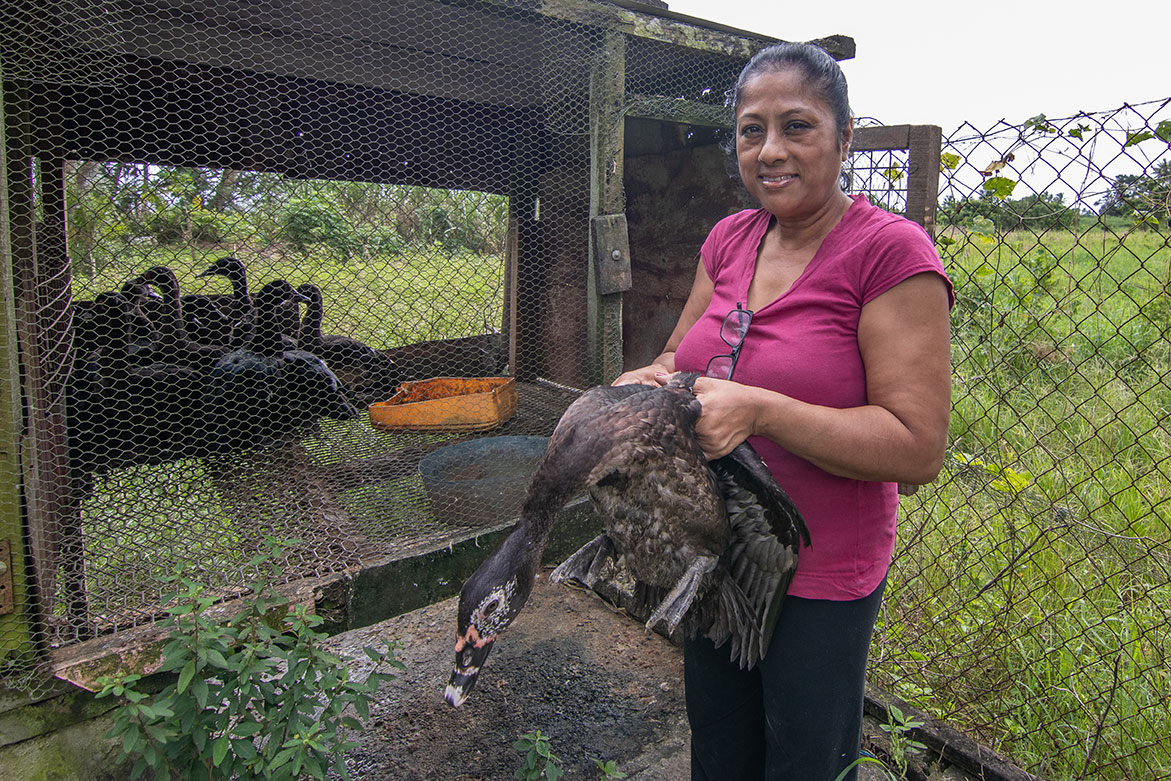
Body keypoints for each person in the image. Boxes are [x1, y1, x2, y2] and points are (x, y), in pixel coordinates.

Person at [613, 42, 954, 780]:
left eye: (796, 126)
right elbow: (683, 357)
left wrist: (763, 409)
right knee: (719, 739)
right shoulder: (728, 239)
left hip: (819, 566)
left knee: (804, 756)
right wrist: (652, 378)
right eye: (749, 129)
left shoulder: (889, 254)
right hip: (713, 542)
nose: (769, 150)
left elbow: (916, 447)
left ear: (844, 137)